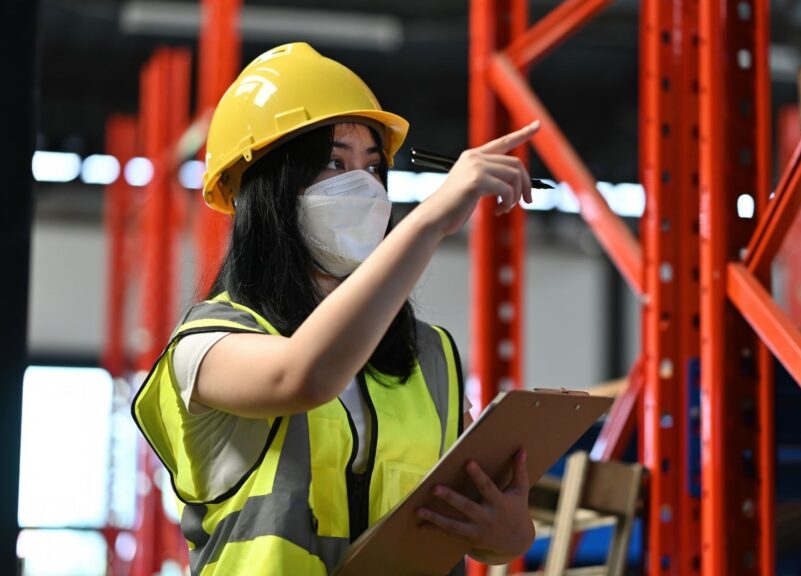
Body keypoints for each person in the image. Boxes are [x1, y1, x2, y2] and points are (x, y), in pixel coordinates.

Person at [132, 42, 539, 575]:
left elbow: (469, 513)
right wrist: (430, 220)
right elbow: (304, 375)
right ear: (269, 187)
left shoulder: (430, 355)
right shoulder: (208, 345)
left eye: (373, 166)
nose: (364, 187)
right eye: (333, 163)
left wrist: (509, 534)